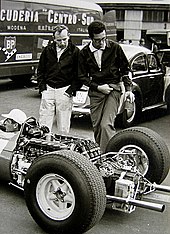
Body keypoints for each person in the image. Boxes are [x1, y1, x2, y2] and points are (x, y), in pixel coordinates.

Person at [78, 20, 134, 152]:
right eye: (98, 40)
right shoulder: (84, 53)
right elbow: (81, 76)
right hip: (96, 91)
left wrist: (129, 90)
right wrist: (98, 87)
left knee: (105, 125)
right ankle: (101, 152)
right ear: (91, 38)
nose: (102, 42)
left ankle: (109, 156)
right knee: (97, 127)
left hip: (114, 90)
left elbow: (125, 70)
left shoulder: (115, 48)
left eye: (104, 38)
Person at [37, 24, 80, 134]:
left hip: (64, 90)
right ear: (54, 39)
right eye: (59, 40)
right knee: (44, 122)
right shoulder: (47, 50)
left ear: (69, 36)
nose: (62, 43)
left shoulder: (75, 52)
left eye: (64, 39)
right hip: (48, 88)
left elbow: (79, 74)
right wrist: (43, 88)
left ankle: (62, 148)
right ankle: (43, 145)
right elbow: (40, 70)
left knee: (63, 125)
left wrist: (71, 90)